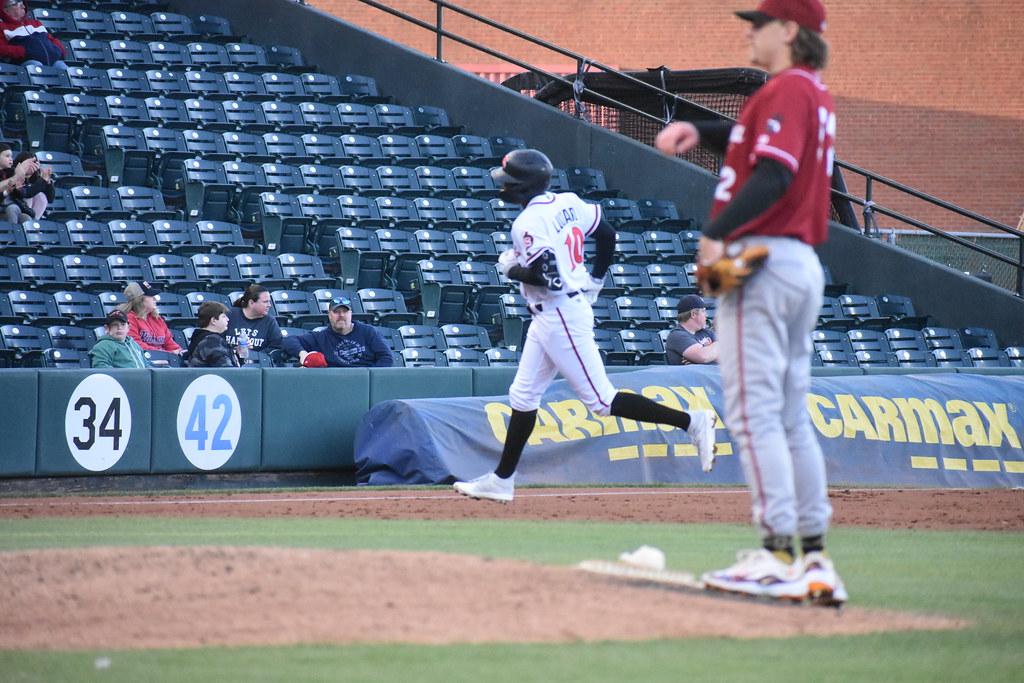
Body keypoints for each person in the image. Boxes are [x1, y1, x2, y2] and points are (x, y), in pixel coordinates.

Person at [655, 0, 845, 606]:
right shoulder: (809, 92)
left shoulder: (787, 88)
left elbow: (773, 175)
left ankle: (774, 556)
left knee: (754, 415)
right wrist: (703, 132)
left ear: (789, 31)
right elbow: (754, 142)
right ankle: (813, 561)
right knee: (789, 415)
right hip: (797, 263)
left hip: (760, 259)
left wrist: (717, 235)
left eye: (759, 22)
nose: (750, 31)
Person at [452, 148, 718, 504]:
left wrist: (511, 269)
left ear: (523, 185)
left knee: (602, 400)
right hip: (554, 311)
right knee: (523, 396)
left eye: (510, 181)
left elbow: (547, 278)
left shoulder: (526, 222)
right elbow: (607, 234)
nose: (505, 186)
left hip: (559, 312)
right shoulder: (568, 201)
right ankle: (502, 479)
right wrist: (595, 279)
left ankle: (692, 422)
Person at [281, 296, 393, 367]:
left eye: (345, 311)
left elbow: (386, 359)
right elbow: (289, 341)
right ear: (329, 315)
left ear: (351, 314)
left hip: (366, 382)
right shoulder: (321, 337)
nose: (341, 315)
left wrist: (369, 378)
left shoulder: (368, 332)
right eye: (336, 312)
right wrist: (303, 354)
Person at [117, 280, 184, 356]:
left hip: (163, 360)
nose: (155, 299)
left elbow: (169, 343)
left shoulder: (157, 319)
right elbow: (136, 346)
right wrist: (167, 354)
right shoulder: (128, 319)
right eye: (151, 296)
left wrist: (180, 352)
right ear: (140, 300)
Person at [0, 0, 69, 68]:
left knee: (62, 66)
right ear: (6, 10)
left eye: (22, 3)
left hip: (53, 61)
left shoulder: (36, 23)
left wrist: (59, 49)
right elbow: (1, 48)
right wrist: (23, 51)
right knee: (35, 65)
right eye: (16, 3)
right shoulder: (2, 27)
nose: (23, 6)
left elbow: (51, 39)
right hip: (25, 65)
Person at [226, 285, 283, 356]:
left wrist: (256, 357)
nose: (269, 305)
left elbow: (276, 347)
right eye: (265, 302)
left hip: (258, 364)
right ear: (251, 303)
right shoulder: (229, 316)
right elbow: (216, 342)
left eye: (269, 301)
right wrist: (235, 352)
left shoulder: (269, 321)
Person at [665, 294, 718, 365]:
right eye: (703, 311)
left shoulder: (705, 332)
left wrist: (706, 358)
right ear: (693, 314)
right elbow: (703, 356)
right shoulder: (677, 336)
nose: (706, 315)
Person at [187, 301, 241, 368]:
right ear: (213, 320)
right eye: (224, 317)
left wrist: (239, 354)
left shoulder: (210, 339)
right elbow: (227, 370)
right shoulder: (210, 341)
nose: (228, 319)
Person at [5, 150, 54, 223]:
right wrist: (43, 179)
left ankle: (33, 225)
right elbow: (26, 193)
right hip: (14, 205)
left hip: (27, 210)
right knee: (17, 209)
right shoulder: (13, 174)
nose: (31, 169)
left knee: (41, 196)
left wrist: (47, 181)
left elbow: (50, 199)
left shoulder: (35, 178)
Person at [0, 143, 40, 224]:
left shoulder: (12, 171)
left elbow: (26, 194)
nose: (11, 159)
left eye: (11, 156)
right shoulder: (15, 174)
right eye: (7, 156)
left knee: (25, 218)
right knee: (12, 208)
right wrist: (6, 191)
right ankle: (12, 234)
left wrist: (26, 174)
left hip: (11, 206)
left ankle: (32, 235)